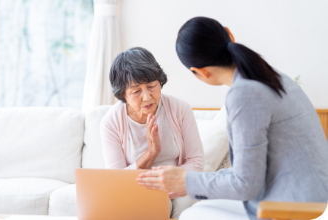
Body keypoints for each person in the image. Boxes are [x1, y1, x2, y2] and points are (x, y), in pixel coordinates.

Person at [136, 17, 328, 220]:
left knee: (190, 216)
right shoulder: (270, 75)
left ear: (201, 73)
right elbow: (248, 175)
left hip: (296, 209)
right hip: (308, 197)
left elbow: (246, 185)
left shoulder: (245, 93)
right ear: (229, 35)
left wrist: (186, 182)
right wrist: (191, 181)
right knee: (196, 210)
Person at [100, 47, 205, 219]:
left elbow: (196, 161)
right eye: (136, 91)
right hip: (137, 186)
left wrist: (169, 183)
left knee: (187, 210)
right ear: (123, 94)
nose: (147, 97)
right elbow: (116, 179)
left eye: (151, 86)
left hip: (177, 181)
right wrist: (151, 153)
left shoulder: (180, 108)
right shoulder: (111, 122)